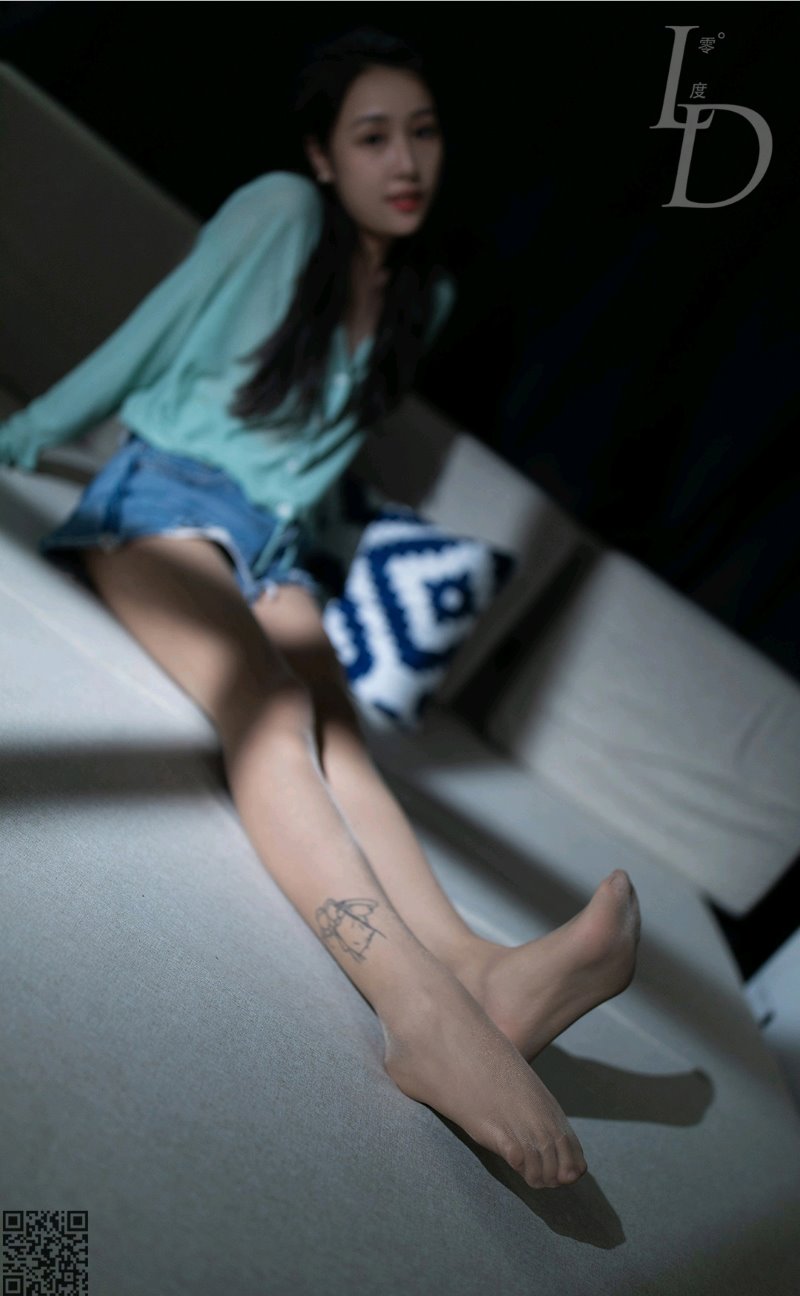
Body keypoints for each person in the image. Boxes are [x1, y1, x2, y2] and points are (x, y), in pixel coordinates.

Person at [0, 26, 640, 1190]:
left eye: (422, 133)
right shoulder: (279, 212)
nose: (404, 159)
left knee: (339, 727)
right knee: (269, 707)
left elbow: (319, 458)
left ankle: (476, 967)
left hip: (271, 543)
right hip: (165, 494)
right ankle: (417, 1011)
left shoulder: (422, 294)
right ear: (321, 155)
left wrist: (317, 558)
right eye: (372, 135)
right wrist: (27, 432)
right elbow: (151, 336)